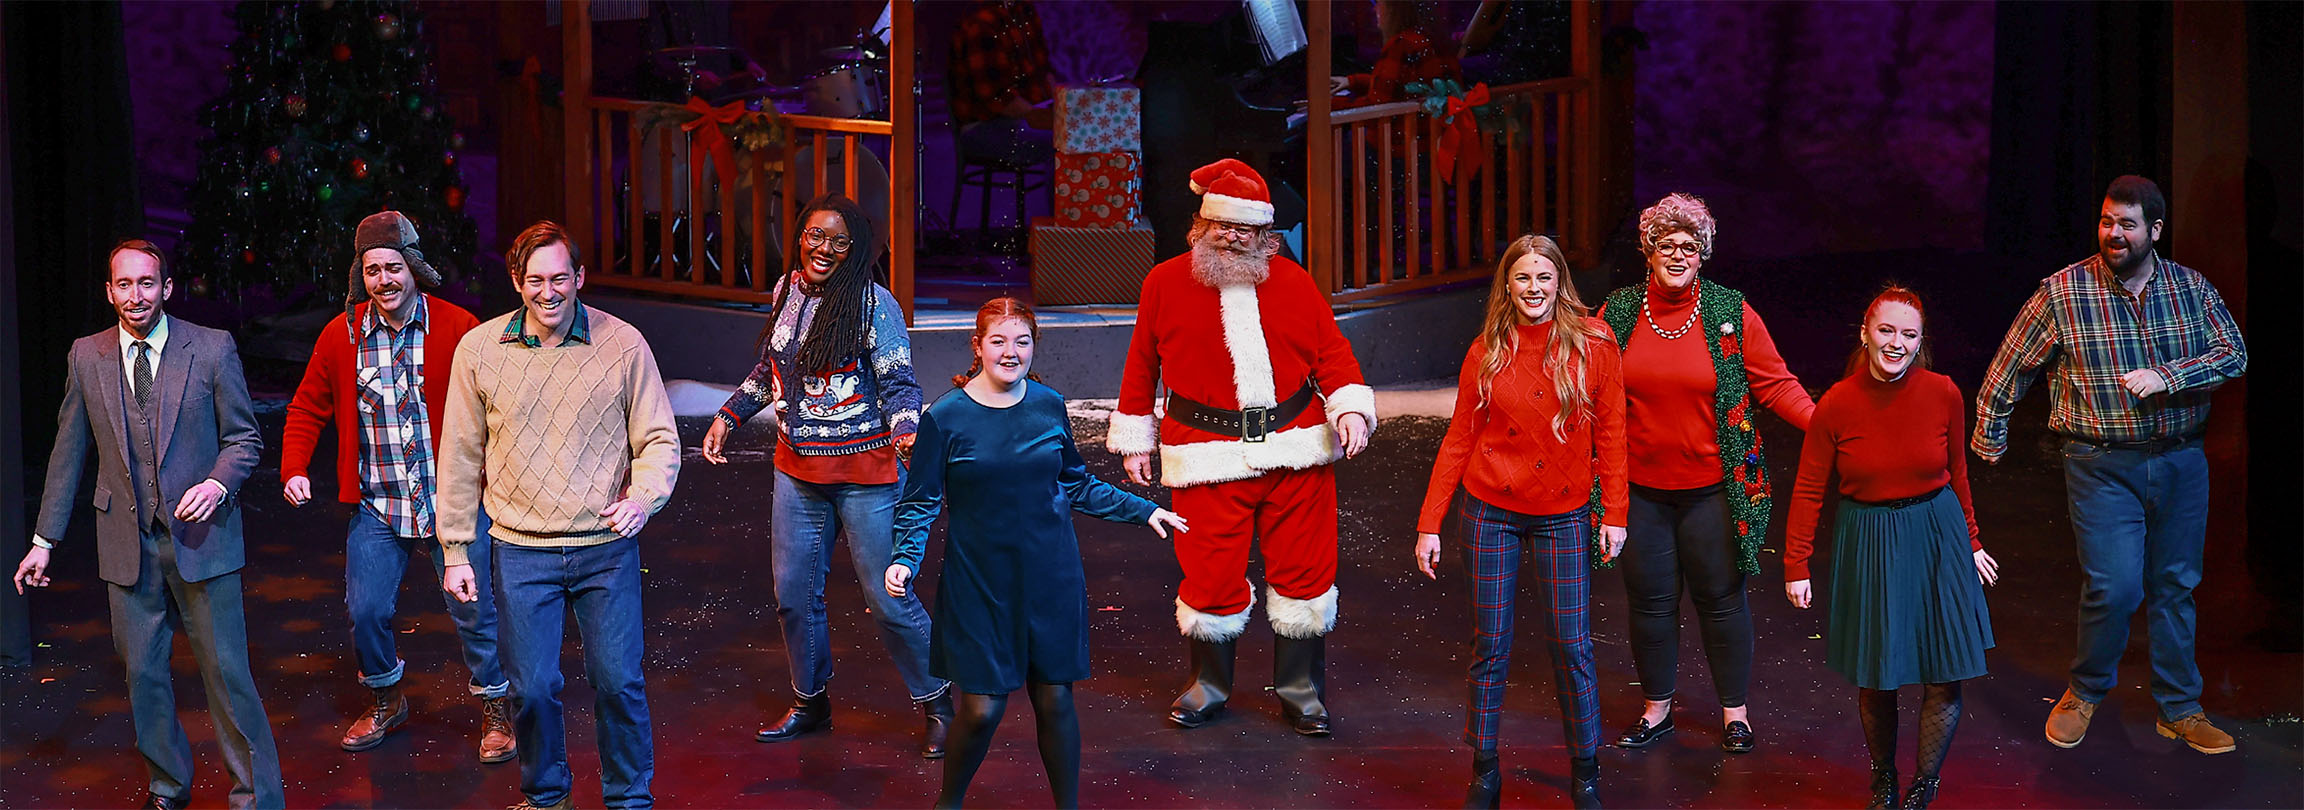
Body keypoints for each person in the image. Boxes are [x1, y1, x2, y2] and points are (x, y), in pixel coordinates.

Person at [1973, 175, 2248, 756]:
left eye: (2127, 224)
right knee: (2115, 586)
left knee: (2175, 585)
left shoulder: (2189, 289)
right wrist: (1989, 437)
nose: (2114, 234)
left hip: (2179, 460)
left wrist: (2168, 377)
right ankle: (2086, 690)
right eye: (2106, 221)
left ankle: (2179, 708)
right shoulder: (2063, 293)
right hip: (2101, 463)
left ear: (2155, 229)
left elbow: (2234, 352)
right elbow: (2009, 367)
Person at [883, 298, 1189, 809]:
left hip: (1050, 576)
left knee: (1055, 698)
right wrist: (904, 559)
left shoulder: (1048, 404)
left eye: (1022, 341)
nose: (1011, 352)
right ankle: (948, 805)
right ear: (977, 346)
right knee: (981, 708)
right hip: (980, 580)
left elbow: (1076, 484)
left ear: (1034, 347)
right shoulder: (945, 417)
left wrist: (1143, 510)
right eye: (999, 341)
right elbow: (921, 501)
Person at [1108, 158, 1376, 736]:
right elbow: (1141, 364)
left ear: (1264, 235)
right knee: (1207, 573)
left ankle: (1301, 690)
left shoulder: (1294, 281)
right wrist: (1136, 436)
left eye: (1244, 229)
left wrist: (1349, 406)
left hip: (1296, 444)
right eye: (1221, 226)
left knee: (1305, 572)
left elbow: (1330, 352)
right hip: (1205, 450)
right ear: (1200, 227)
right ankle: (1209, 684)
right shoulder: (1164, 282)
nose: (1232, 237)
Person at [15, 240, 284, 809]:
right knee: (145, 681)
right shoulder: (87, 356)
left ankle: (256, 799)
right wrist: (44, 541)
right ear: (109, 291)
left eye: (146, 284)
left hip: (203, 543)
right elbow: (68, 455)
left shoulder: (210, 349)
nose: (135, 296)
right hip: (126, 545)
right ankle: (167, 787)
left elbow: (244, 438)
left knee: (230, 680)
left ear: (165, 288)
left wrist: (215, 484)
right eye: (123, 285)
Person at [436, 221, 682, 810]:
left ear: (579, 279)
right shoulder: (479, 351)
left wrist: (641, 497)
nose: (549, 292)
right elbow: (461, 455)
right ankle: (547, 797)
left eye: (560, 278)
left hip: (605, 547)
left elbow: (660, 442)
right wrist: (454, 549)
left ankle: (629, 799)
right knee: (533, 689)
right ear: (517, 281)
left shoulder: (623, 345)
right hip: (521, 550)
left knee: (618, 683)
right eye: (536, 280)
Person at [699, 194, 954, 756]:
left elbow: (898, 382)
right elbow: (772, 365)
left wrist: (909, 431)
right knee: (794, 595)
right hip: (796, 471)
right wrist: (729, 414)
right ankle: (810, 702)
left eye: (839, 242)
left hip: (865, 473)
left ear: (855, 250)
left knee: (888, 597)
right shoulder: (787, 292)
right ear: (799, 237)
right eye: (816, 236)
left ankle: (939, 703)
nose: (824, 249)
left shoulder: (872, 304)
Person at [279, 211, 512, 762]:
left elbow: (498, 407)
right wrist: (294, 466)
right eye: (373, 270)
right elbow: (308, 405)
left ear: (414, 268)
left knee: (474, 611)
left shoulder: (459, 327)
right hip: (378, 504)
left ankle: (496, 707)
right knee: (366, 611)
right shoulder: (344, 333)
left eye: (393, 267)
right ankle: (386, 697)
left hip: (451, 502)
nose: (384, 280)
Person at [1595, 192, 1814, 754]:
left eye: (1688, 246)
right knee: (1648, 601)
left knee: (1721, 599)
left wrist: (1827, 425)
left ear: (1703, 255)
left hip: (1712, 491)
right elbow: (1585, 390)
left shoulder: (1729, 312)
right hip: (1639, 492)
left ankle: (1734, 714)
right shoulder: (1617, 313)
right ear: (1649, 252)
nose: (1677, 254)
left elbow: (1774, 383)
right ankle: (1657, 708)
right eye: (1666, 245)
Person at [1414, 235, 1624, 810]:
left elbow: (1611, 433)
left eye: (1544, 278)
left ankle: (1586, 769)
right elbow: (1459, 436)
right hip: (1491, 512)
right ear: (1508, 286)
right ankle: (1484, 768)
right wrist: (1429, 522)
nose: (1534, 289)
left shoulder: (1595, 344)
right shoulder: (1487, 349)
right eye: (1523, 278)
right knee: (1492, 645)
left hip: (1563, 514)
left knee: (1572, 645)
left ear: (1560, 283)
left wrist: (1616, 512)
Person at [1784, 287, 1998, 810]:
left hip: (1937, 532)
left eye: (1908, 334)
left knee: (1945, 668)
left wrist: (1970, 542)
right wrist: (1796, 563)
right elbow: (1810, 486)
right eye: (1886, 331)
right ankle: (1883, 779)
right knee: (1878, 671)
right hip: (1870, 536)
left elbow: (1959, 474)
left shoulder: (1944, 392)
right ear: (1865, 332)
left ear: (1920, 341)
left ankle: (1924, 785)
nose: (1896, 343)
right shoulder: (1837, 402)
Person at [947, 0, 1056, 170]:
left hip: (1024, 114)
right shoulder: (981, 23)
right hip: (984, 126)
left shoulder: (1023, 11)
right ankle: (1065, 196)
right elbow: (1000, 100)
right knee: (1060, 141)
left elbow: (1044, 70)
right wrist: (1047, 119)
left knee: (1079, 133)